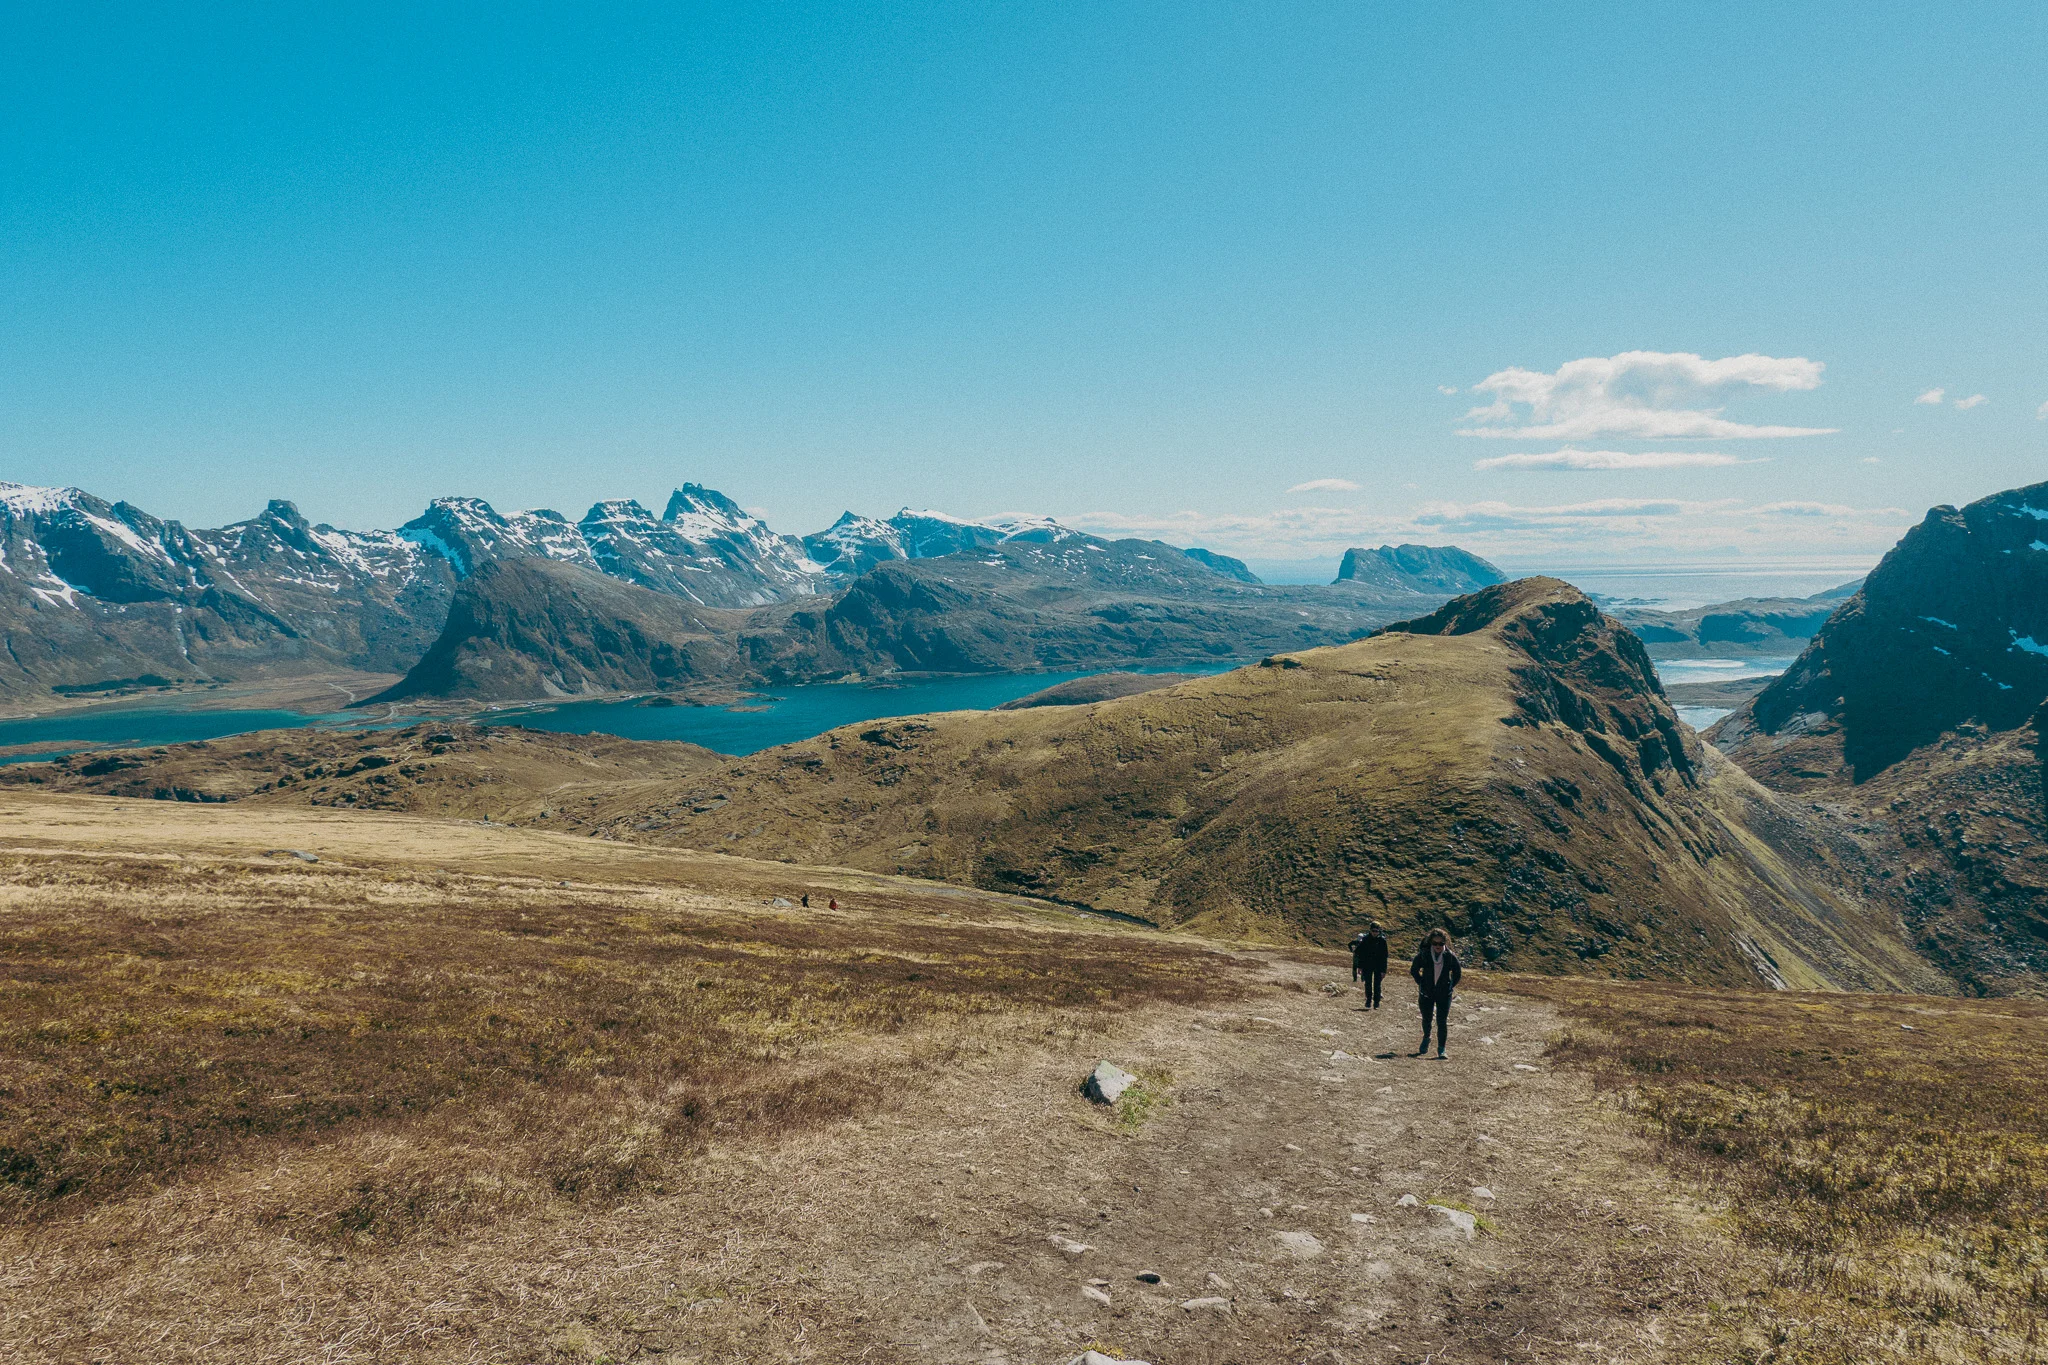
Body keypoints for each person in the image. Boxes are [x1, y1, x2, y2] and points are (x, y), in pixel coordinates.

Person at [1409, 928, 1462, 1059]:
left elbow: (1458, 973)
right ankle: (1427, 1037)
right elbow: (1414, 969)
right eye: (1435, 943)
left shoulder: (1450, 956)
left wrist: (1450, 986)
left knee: (1441, 1021)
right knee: (1427, 1018)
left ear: (1445, 943)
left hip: (1444, 994)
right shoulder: (1424, 954)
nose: (1438, 946)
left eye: (1440, 943)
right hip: (1426, 992)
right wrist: (1421, 982)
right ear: (1430, 943)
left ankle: (1442, 1049)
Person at [1350, 922, 1389, 1008]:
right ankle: (1368, 1000)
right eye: (1373, 931)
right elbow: (1360, 954)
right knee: (1368, 983)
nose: (1375, 933)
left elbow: (1384, 956)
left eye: (1376, 931)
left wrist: (1384, 970)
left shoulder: (1382, 941)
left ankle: (1376, 1002)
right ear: (1370, 930)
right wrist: (1360, 967)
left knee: (1377, 984)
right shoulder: (1365, 939)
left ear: (1379, 931)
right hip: (1367, 965)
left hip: (1378, 966)